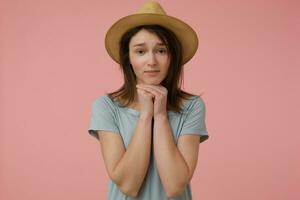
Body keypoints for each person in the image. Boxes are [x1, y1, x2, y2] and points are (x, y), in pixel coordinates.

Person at [88, 1, 209, 199]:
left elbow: (175, 185)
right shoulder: (107, 107)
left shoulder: (192, 107)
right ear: (128, 58)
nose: (151, 61)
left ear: (173, 57)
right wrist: (146, 115)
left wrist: (160, 116)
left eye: (161, 50)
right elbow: (128, 185)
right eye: (140, 51)